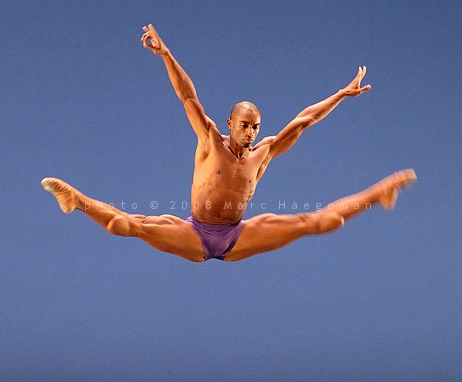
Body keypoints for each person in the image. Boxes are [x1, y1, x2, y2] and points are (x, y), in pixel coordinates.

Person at [41, 23, 416, 263]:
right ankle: (76, 199)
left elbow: (305, 120)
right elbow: (187, 97)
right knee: (126, 226)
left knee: (318, 222)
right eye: (244, 125)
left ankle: (379, 193)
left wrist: (341, 94)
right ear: (230, 124)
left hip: (237, 235)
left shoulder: (264, 152)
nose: (250, 132)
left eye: (255, 127)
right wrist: (166, 55)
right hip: (195, 232)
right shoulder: (210, 140)